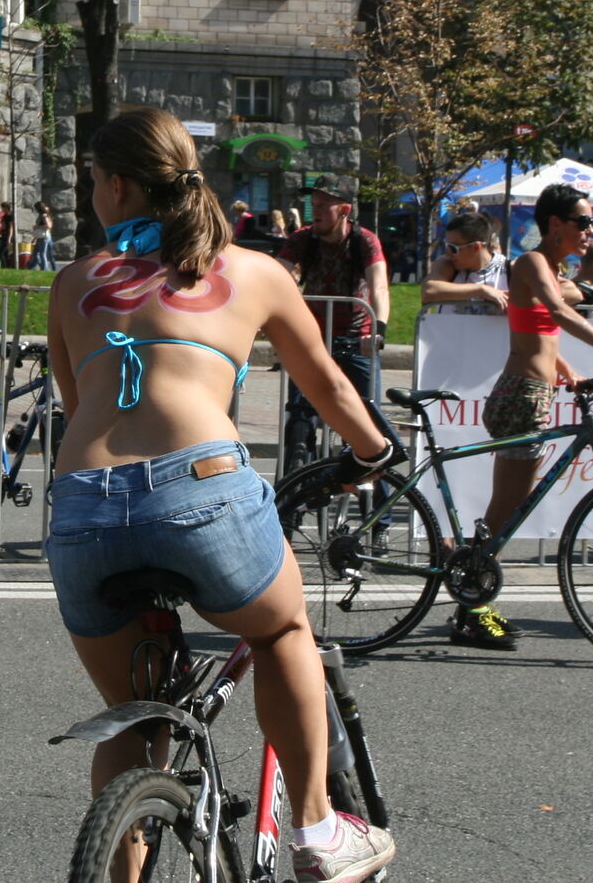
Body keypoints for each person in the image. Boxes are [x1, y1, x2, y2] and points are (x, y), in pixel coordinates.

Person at [46, 107, 398, 881]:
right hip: (197, 488)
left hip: (83, 507)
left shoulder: (74, 281)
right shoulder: (256, 271)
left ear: (118, 184)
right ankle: (316, 829)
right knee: (281, 630)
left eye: (92, 183)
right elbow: (331, 383)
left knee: (136, 714)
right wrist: (376, 450)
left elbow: (81, 411)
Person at [460, 182, 593, 649]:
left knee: (508, 510)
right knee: (506, 511)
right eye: (584, 222)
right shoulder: (532, 262)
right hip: (521, 395)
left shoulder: (552, 268)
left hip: (534, 391)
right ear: (556, 225)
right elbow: (557, 313)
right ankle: (473, 605)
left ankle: (471, 593)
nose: (591, 231)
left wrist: (571, 375)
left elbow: (539, 334)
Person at [277, 177, 389, 413]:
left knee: (369, 415)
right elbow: (274, 274)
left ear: (344, 210)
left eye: (323, 205)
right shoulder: (302, 238)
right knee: (299, 412)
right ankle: (300, 445)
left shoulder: (364, 240)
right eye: (313, 204)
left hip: (357, 338)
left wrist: (378, 330)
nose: (314, 211)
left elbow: (379, 287)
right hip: (311, 337)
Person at [421, 210, 507, 315]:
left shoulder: (509, 270)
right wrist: (481, 290)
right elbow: (429, 292)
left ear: (476, 247)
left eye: (453, 248)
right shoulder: (447, 264)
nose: (448, 253)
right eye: (446, 245)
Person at [32, 201, 56, 271]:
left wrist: (37, 227)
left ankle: (45, 269)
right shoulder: (44, 215)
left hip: (43, 237)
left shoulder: (44, 215)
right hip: (42, 237)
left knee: (43, 254)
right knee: (37, 253)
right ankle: (33, 267)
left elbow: (48, 226)